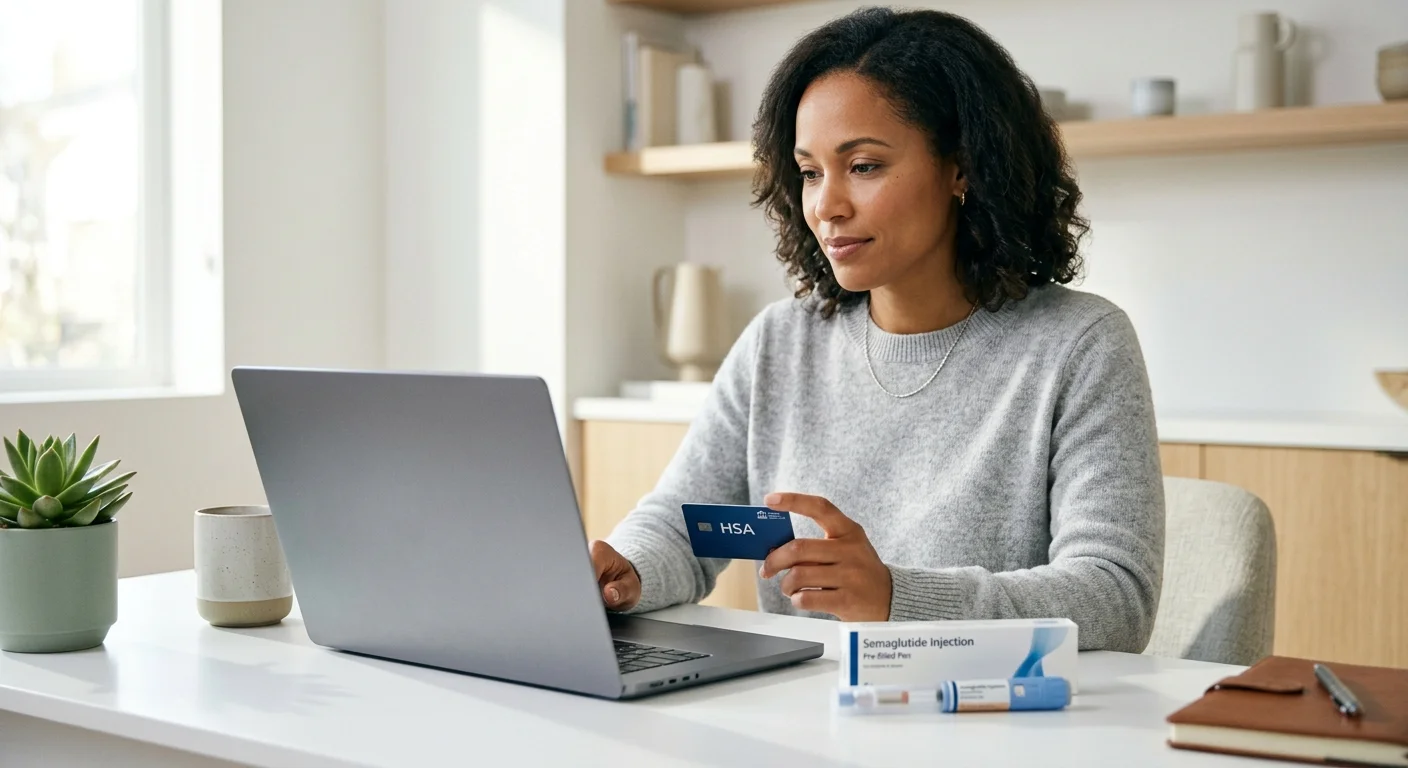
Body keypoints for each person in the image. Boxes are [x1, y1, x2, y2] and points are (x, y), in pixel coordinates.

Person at [589, 6, 1164, 651]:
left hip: (984, 723)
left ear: (961, 167)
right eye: (810, 172)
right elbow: (689, 527)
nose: (827, 205)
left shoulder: (1079, 345)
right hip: (801, 722)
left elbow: (1114, 597)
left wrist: (898, 599)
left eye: (863, 166)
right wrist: (625, 571)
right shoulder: (781, 343)